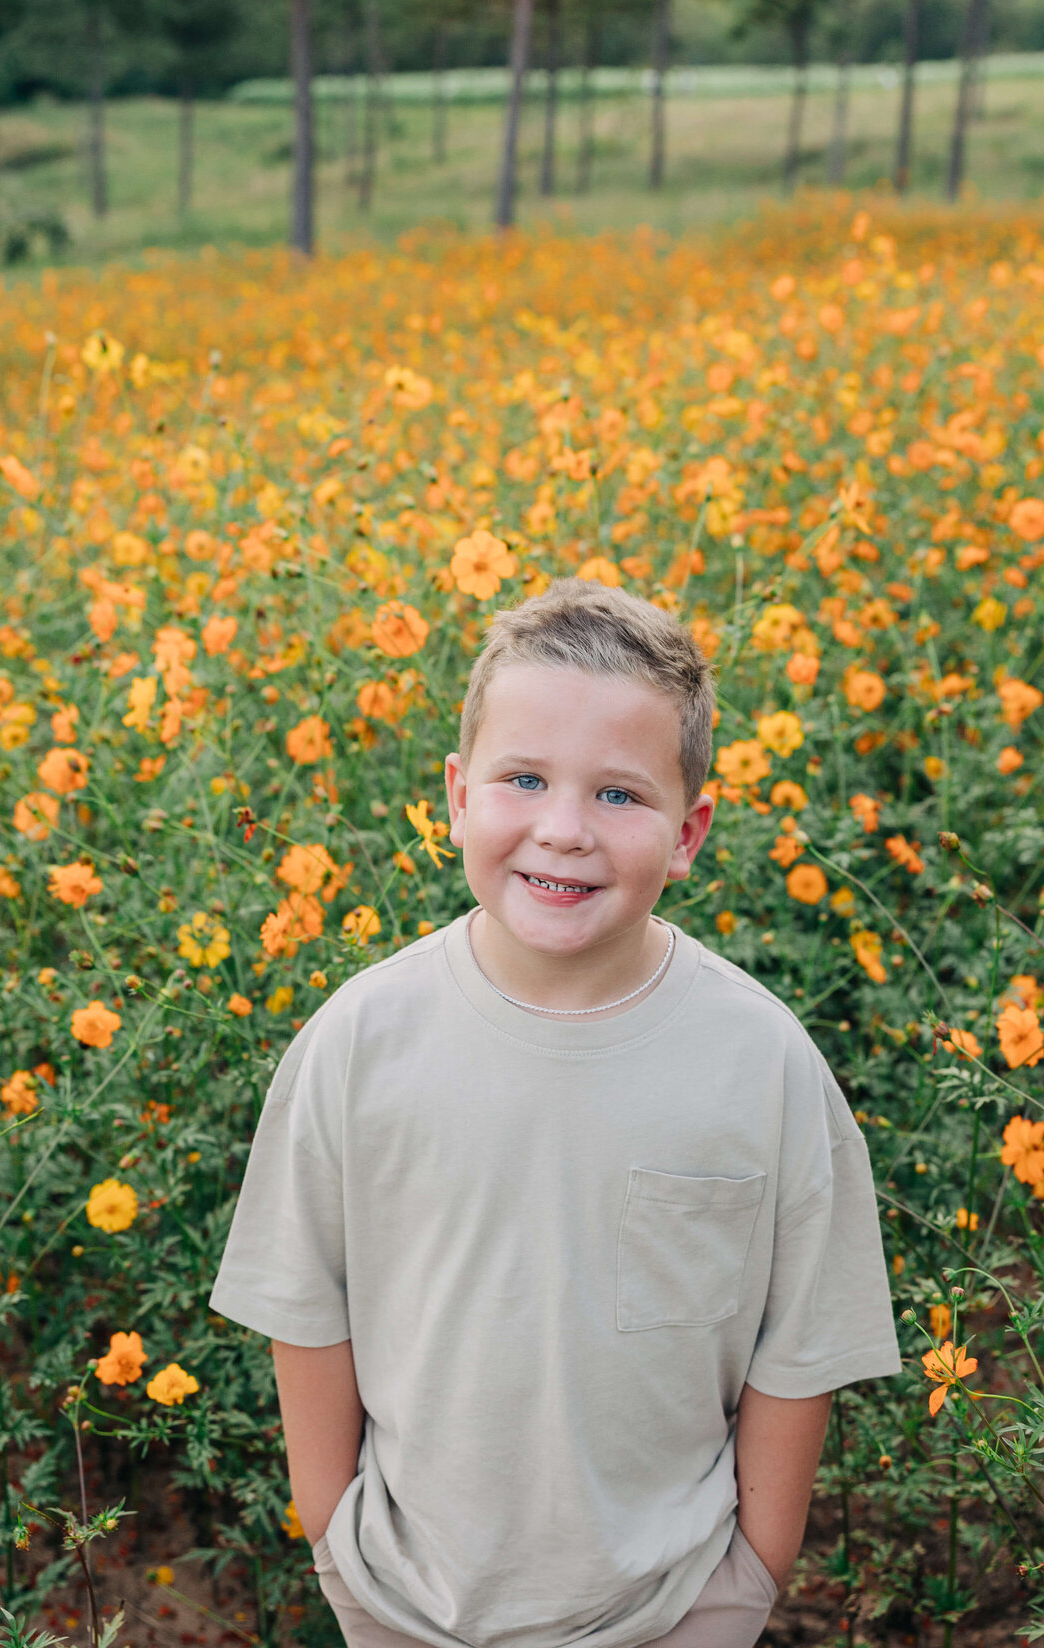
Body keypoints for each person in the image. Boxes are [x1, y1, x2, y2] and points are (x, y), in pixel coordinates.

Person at [208, 578, 902, 1648]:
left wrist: (749, 1581)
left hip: (673, 1610)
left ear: (689, 832)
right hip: (404, 1603)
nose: (565, 831)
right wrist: (335, 1542)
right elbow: (304, 1308)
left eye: (620, 795)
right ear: (456, 796)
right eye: (523, 779)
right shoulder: (362, 1039)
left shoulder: (761, 1062)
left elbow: (798, 1349)